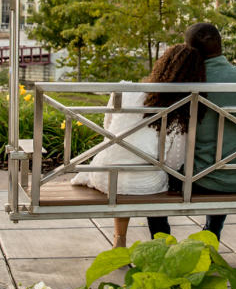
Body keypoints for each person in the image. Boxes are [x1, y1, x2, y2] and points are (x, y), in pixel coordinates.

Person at [70, 44, 205, 248]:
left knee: (123, 166)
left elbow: (108, 129)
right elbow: (174, 163)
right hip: (144, 184)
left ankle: (119, 240)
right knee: (155, 177)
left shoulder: (126, 91)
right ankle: (161, 244)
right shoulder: (179, 113)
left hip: (104, 176)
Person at [175, 21, 236, 240]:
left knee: (152, 176)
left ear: (189, 50)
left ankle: (160, 237)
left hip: (201, 179)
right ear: (221, 45)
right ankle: (212, 231)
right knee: (227, 151)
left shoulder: (188, 84)